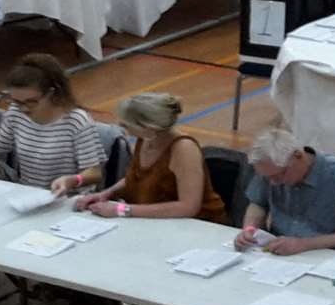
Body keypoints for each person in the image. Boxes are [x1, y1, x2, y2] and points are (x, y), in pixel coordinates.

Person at [0, 53, 103, 193]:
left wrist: (72, 180)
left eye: (31, 102)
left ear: (51, 93)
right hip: (29, 194)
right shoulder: (15, 113)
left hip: (68, 199)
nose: (23, 108)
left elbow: (94, 173)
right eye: (17, 101)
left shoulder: (76, 121)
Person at [74, 92, 225, 222]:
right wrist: (105, 194)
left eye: (127, 125)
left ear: (149, 128)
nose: (122, 127)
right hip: (153, 221)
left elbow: (188, 207)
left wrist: (122, 210)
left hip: (194, 225)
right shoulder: (146, 138)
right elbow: (136, 178)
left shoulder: (184, 149)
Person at [235, 128, 335, 256]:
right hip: (283, 253)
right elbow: (258, 204)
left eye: (279, 175)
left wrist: (304, 244)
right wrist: (249, 229)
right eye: (267, 178)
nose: (273, 183)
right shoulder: (270, 168)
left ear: (298, 156)